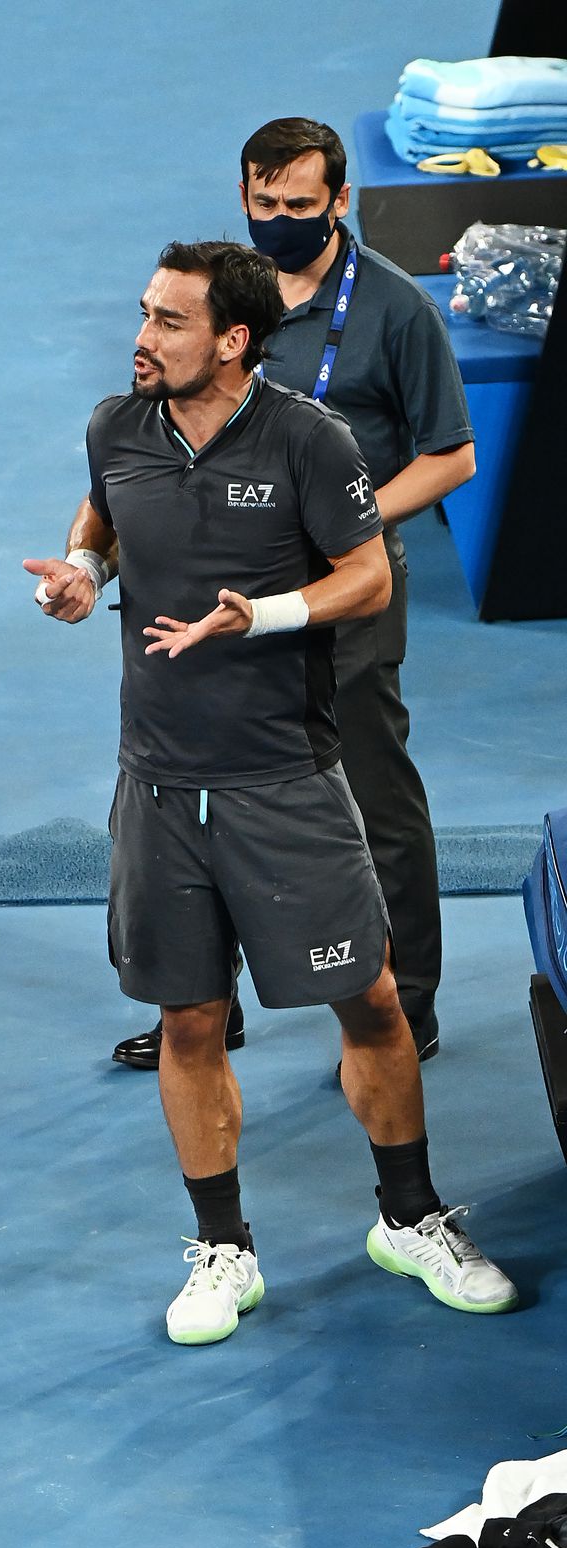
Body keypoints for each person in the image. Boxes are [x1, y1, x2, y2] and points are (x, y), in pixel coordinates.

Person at [24, 241, 514, 1345]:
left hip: (285, 782)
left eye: (170, 322)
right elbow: (103, 518)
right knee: (188, 1018)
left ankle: (410, 1214)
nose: (143, 337)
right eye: (145, 313)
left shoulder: (309, 439)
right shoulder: (117, 427)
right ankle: (224, 1248)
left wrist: (264, 612)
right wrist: (80, 573)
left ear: (233, 341)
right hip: (158, 786)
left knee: (374, 1002)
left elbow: (369, 574)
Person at [112, 116, 473, 1073]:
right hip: (215, 592)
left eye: (299, 207)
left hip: (344, 595)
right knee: (193, 791)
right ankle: (201, 1000)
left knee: (368, 795)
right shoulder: (212, 307)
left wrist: (340, 526)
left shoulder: (395, 312)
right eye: (263, 204)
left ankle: (412, 997)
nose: (279, 220)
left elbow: (452, 455)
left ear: (340, 202)